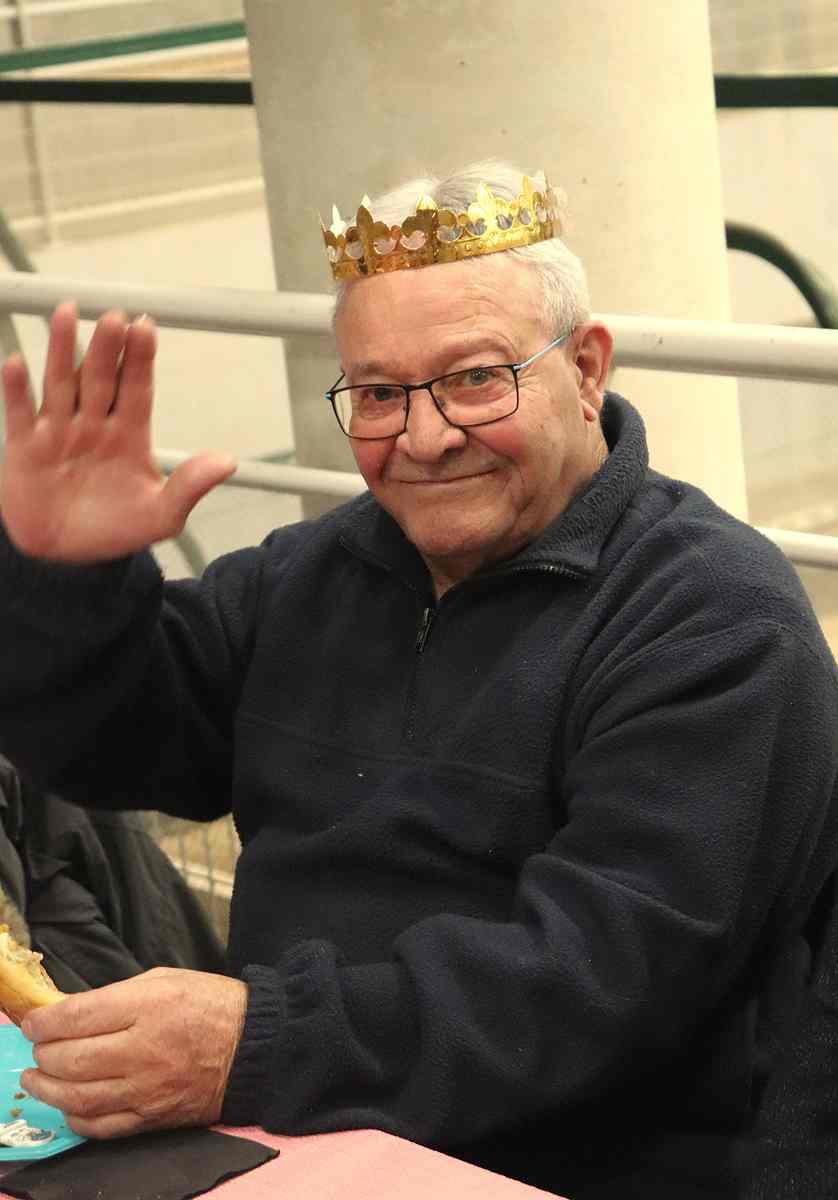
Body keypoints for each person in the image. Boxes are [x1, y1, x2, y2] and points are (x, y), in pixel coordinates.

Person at [0, 159, 836, 1200]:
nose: (426, 438)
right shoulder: (315, 570)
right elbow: (113, 747)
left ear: (586, 370)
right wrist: (70, 576)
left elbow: (600, 984)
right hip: (291, 1140)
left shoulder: (712, 618)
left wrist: (255, 1041)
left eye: (477, 379)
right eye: (381, 394)